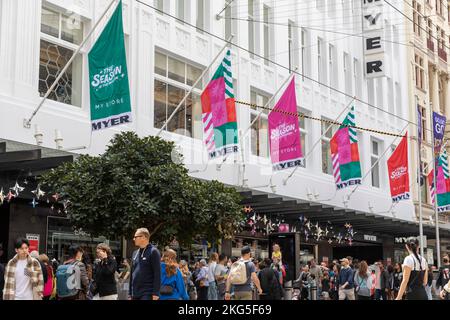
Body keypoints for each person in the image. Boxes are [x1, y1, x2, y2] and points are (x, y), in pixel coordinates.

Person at [129, 228, 161, 300]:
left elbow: (157, 273)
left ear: (143, 237)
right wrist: (130, 293)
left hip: (147, 293)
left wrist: (156, 293)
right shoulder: (135, 253)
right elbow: (132, 274)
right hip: (135, 293)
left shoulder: (154, 251)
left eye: (135, 237)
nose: (134, 239)